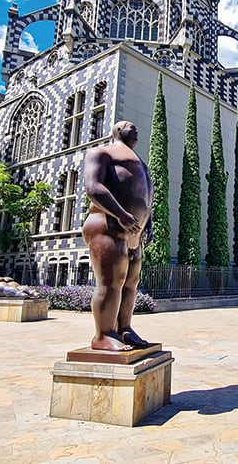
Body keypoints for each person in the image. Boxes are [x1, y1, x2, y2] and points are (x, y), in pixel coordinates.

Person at [82, 121, 154, 351]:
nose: (136, 130)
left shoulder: (141, 163)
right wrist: (121, 214)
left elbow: (146, 198)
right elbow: (93, 187)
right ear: (118, 130)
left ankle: (125, 328)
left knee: (130, 284)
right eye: (131, 127)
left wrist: (147, 225)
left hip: (134, 234)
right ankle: (103, 335)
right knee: (111, 282)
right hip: (107, 226)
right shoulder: (101, 153)